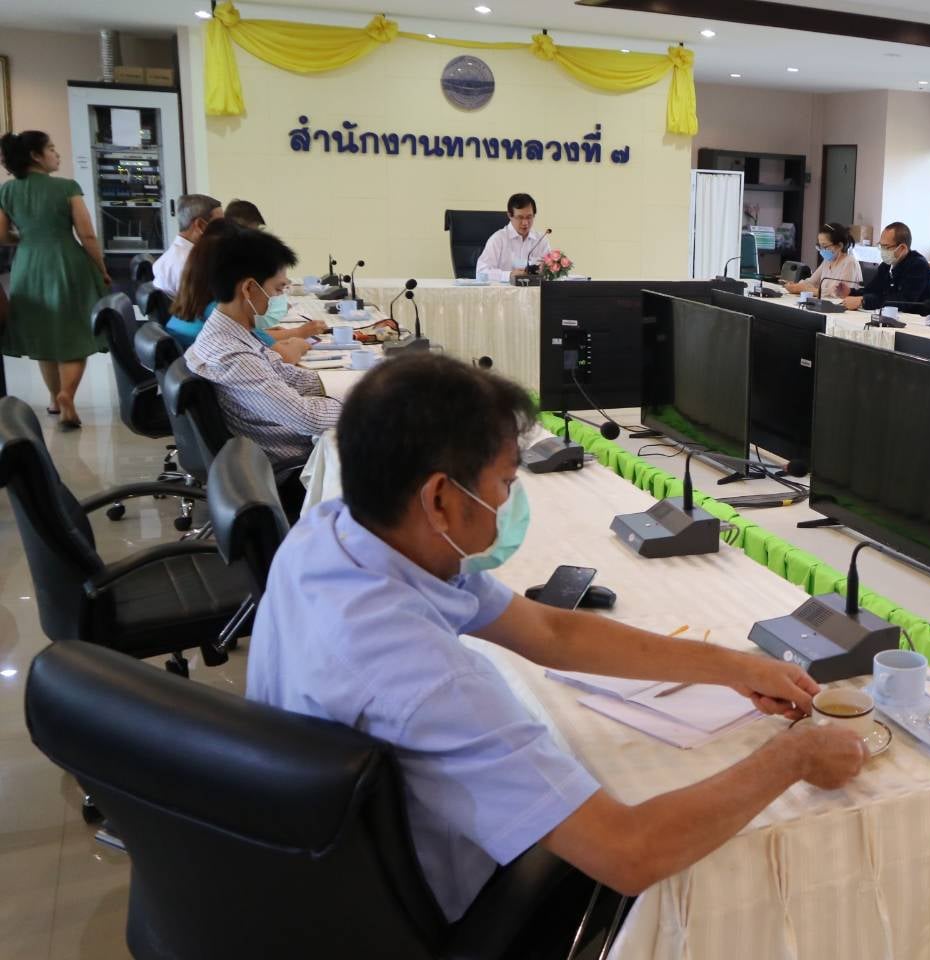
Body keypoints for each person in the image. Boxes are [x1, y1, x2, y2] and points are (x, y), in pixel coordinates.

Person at [248, 353, 866, 920]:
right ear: (439, 499)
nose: (508, 501)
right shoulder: (426, 677)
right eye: (504, 482)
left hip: (320, 865)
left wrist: (735, 666)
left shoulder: (337, 533)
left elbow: (549, 629)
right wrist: (794, 757)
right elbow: (629, 854)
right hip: (430, 907)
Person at [183, 225, 340, 464]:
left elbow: (290, 376)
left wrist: (361, 386)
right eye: (278, 288)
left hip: (290, 446)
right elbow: (308, 417)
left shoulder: (235, 333)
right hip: (291, 465)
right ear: (248, 288)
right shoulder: (232, 354)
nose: (281, 298)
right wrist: (368, 406)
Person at [0, 130, 109, 429]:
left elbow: (1, 235)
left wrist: (27, 237)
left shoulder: (7, 191)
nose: (57, 154)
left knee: (44, 332)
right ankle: (67, 395)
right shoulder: (66, 187)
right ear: (36, 156)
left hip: (27, 265)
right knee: (74, 332)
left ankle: (53, 399)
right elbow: (86, 234)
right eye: (51, 148)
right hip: (66, 262)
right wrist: (101, 268)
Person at [167, 218, 326, 359]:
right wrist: (299, 336)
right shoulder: (222, 309)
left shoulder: (199, 292)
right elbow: (283, 356)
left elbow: (250, 336)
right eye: (278, 289)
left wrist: (274, 334)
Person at [842, 222, 930, 312]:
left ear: (902, 248)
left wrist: (864, 301)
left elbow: (903, 301)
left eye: (886, 247)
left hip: (916, 317)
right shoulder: (886, 265)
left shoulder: (918, 266)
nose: (882, 250)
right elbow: (872, 290)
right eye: (881, 246)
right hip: (889, 315)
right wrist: (850, 292)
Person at [475, 193, 563, 282]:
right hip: (504, 290)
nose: (525, 223)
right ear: (510, 215)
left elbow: (551, 270)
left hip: (533, 289)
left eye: (529, 217)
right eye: (520, 217)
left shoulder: (541, 240)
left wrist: (546, 270)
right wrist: (509, 275)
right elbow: (481, 272)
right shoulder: (498, 239)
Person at [150, 193, 222, 298]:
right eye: (220, 225)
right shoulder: (192, 266)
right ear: (200, 225)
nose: (224, 231)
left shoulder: (166, 258)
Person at [783, 222, 862, 299]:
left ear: (839, 245)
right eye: (819, 246)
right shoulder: (827, 261)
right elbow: (812, 282)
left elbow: (841, 293)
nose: (822, 250)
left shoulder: (850, 262)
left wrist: (811, 290)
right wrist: (796, 286)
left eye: (825, 246)